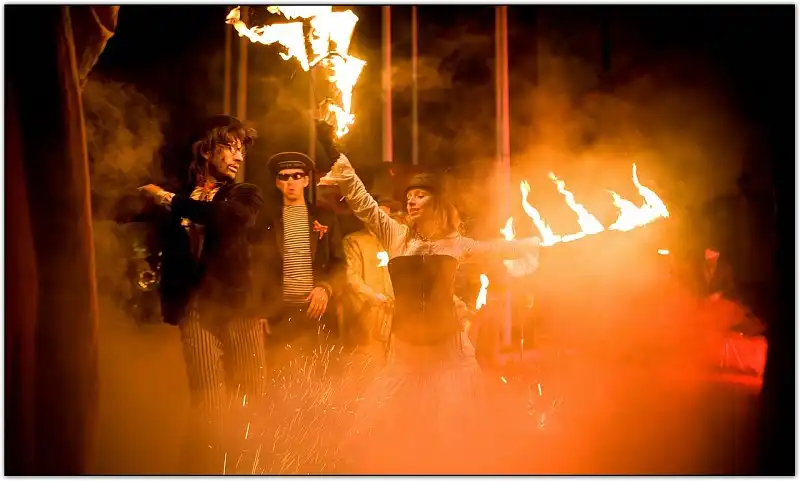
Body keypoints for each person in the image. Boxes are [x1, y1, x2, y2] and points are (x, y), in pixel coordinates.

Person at [318, 149, 541, 474]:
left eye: (419, 195)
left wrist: (532, 244)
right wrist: (347, 173)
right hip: (406, 348)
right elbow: (365, 206)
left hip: (447, 349)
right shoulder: (395, 236)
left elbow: (494, 249)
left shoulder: (455, 243)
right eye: (409, 196)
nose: (411, 201)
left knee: (449, 426)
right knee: (390, 420)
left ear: (436, 203)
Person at [137, 115, 266, 474]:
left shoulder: (244, 194)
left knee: (250, 398)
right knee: (208, 405)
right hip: (195, 310)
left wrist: (166, 199)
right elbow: (131, 213)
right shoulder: (180, 194)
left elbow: (226, 217)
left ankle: (251, 469)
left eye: (242, 150)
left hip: (238, 309)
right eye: (231, 147)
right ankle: (205, 471)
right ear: (208, 150)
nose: (239, 156)